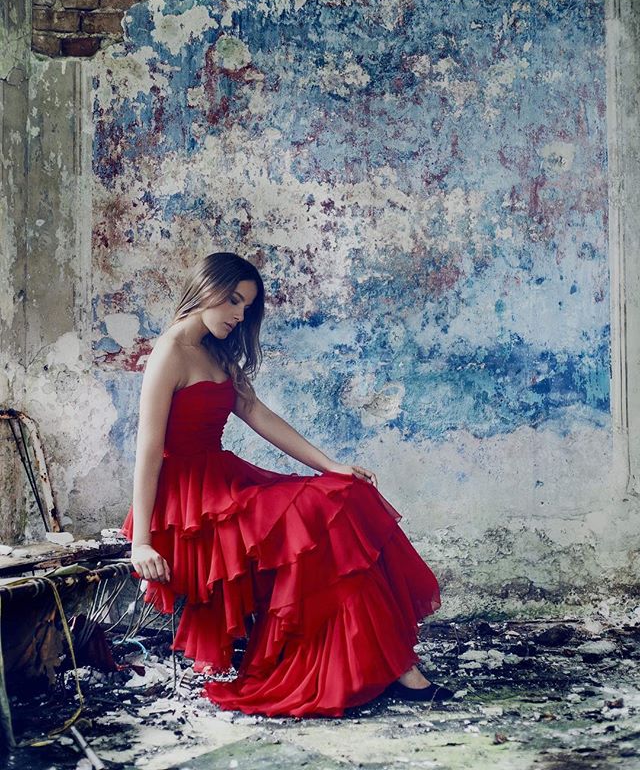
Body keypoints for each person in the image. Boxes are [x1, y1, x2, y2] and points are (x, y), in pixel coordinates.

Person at [119, 251, 453, 717]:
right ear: (205, 289)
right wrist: (141, 543)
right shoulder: (170, 352)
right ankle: (393, 669)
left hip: (223, 483)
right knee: (324, 525)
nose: (239, 315)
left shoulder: (216, 350)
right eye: (233, 301)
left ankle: (390, 666)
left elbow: (257, 414)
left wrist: (331, 465)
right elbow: (148, 450)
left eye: (246, 307)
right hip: (187, 507)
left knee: (346, 500)